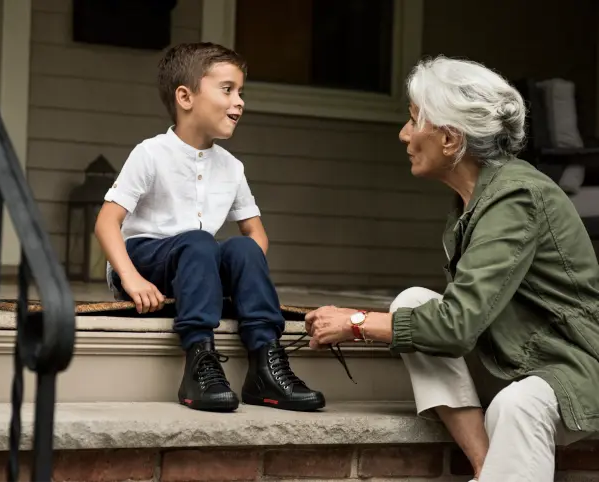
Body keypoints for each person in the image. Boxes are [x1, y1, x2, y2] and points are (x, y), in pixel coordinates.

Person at [304, 56, 599, 482]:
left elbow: (457, 326)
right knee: (414, 302)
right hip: (514, 361)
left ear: (449, 138)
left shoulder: (516, 196)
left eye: (412, 121)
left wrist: (356, 322)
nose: (404, 134)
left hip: (570, 368)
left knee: (518, 405)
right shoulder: (473, 200)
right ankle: (484, 467)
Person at [94, 42, 325, 413]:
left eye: (241, 92)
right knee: (201, 242)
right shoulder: (151, 153)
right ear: (185, 97)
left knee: (243, 248)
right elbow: (107, 222)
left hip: (198, 266)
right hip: (144, 263)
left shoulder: (231, 167)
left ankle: (266, 365)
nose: (239, 102)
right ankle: (200, 361)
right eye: (227, 90)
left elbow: (257, 235)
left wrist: (240, 276)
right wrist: (131, 279)